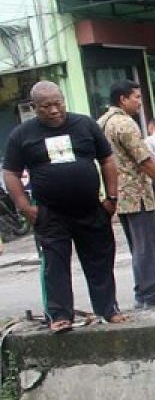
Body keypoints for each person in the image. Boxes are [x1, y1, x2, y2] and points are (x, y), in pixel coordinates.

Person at [2, 82, 127, 331]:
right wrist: (25, 207)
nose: (54, 110)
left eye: (58, 103)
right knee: (55, 265)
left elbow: (107, 160)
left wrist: (111, 197)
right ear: (34, 107)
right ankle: (59, 316)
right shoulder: (22, 134)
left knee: (100, 260)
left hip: (90, 207)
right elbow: (11, 173)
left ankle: (108, 309)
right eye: (46, 106)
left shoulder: (84, 124)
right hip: (50, 212)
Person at [98, 79, 155, 309]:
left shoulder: (102, 122)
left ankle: (143, 292)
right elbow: (144, 160)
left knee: (137, 246)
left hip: (118, 194)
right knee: (146, 245)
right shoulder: (125, 124)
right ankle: (150, 293)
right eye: (136, 97)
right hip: (136, 193)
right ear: (122, 99)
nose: (139, 103)